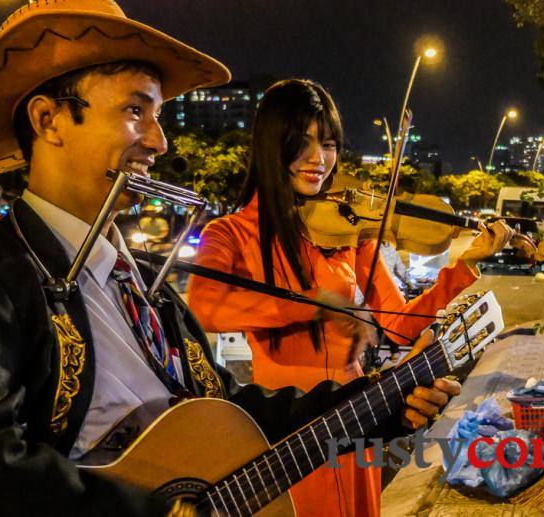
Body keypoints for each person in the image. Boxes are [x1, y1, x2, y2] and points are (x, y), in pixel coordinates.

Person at [0, 2, 460, 516]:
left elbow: (227, 414)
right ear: (49, 120)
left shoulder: (150, 290)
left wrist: (383, 401)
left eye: (158, 117)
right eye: (137, 112)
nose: (161, 142)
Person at [188, 79, 516, 517]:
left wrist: (463, 267)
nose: (318, 160)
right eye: (301, 142)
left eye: (328, 144)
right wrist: (315, 302)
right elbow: (205, 307)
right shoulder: (230, 233)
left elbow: (397, 322)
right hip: (287, 433)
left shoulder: (344, 234)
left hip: (357, 418)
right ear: (271, 146)